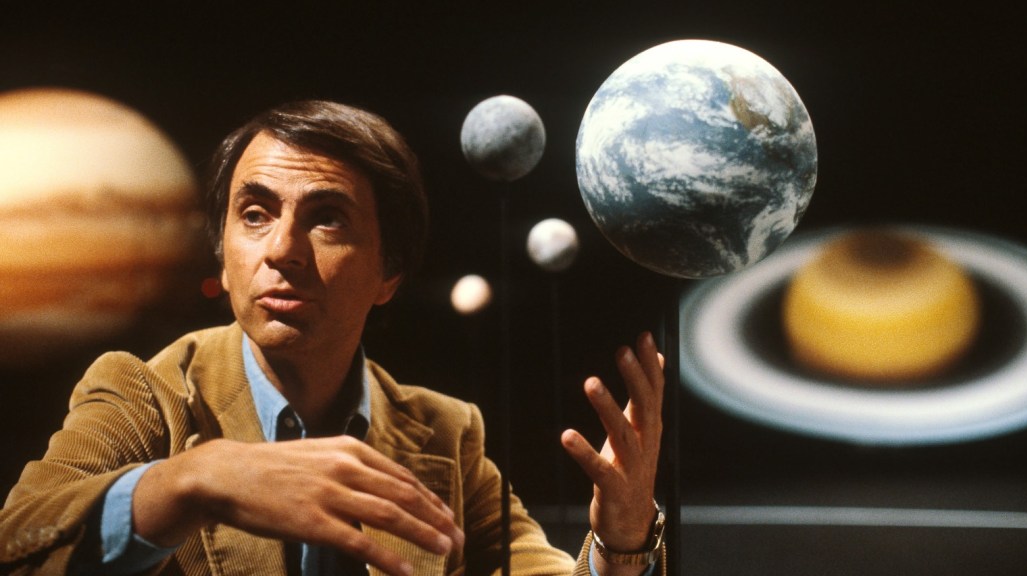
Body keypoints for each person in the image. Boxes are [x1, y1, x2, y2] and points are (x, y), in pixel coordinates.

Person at [0, 100, 666, 576]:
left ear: (389, 273)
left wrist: (621, 543)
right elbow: (20, 544)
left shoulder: (446, 433)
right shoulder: (144, 394)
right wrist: (193, 480)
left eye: (327, 220)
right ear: (223, 258)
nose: (282, 249)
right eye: (254, 214)